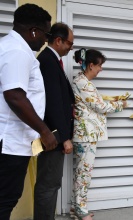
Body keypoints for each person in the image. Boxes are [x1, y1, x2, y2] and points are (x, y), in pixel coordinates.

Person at [0, 4, 57, 220]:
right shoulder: (17, 51)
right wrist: (44, 131)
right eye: (46, 33)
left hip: (11, 140)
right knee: (5, 198)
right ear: (34, 30)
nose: (45, 40)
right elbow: (14, 95)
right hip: (10, 142)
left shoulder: (10, 46)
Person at [71, 48, 127, 220]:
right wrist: (120, 105)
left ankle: (77, 208)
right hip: (86, 135)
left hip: (87, 134)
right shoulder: (83, 83)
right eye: (99, 65)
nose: (101, 69)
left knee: (82, 172)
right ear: (91, 65)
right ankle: (80, 209)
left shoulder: (83, 82)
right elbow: (100, 106)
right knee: (83, 173)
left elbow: (95, 103)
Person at [33, 22, 75, 220]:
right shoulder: (48, 61)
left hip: (55, 134)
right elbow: (52, 103)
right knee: (48, 184)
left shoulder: (52, 60)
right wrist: (64, 137)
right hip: (53, 135)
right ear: (58, 41)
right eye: (69, 43)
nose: (71, 48)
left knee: (51, 183)